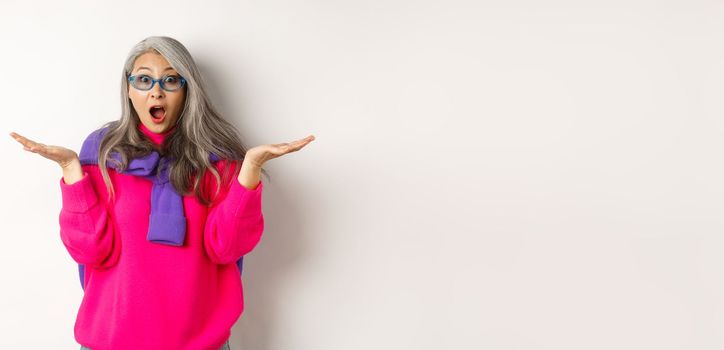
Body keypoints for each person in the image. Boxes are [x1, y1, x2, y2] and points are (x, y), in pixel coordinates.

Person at [9, 36, 314, 350]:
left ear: (186, 89)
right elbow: (89, 251)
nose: (156, 90)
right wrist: (71, 169)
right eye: (143, 79)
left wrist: (249, 168)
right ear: (128, 89)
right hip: (112, 341)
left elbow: (227, 248)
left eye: (170, 80)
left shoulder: (216, 158)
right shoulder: (102, 152)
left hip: (199, 343)